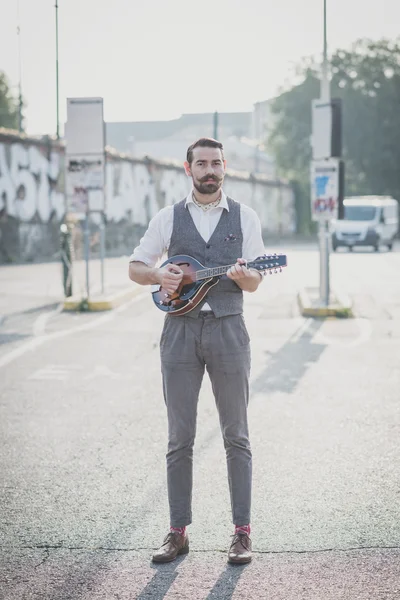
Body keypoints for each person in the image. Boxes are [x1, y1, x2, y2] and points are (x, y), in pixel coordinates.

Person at [128, 137, 265, 564]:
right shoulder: (168, 218)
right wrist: (159, 276)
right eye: (201, 163)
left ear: (226, 168)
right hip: (179, 331)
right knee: (179, 439)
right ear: (188, 170)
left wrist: (244, 277)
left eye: (216, 164)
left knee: (236, 437)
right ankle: (177, 532)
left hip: (228, 330)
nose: (210, 170)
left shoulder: (246, 217)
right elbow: (136, 267)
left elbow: (257, 277)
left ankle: (242, 533)